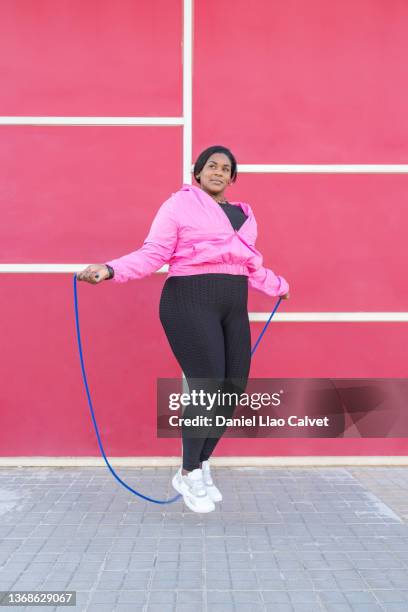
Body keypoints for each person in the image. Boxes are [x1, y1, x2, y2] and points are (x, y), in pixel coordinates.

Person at [77, 145, 290, 513]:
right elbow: (153, 253)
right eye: (211, 166)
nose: (219, 172)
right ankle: (188, 471)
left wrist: (278, 286)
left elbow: (250, 265)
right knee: (207, 386)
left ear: (232, 177)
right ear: (198, 171)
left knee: (233, 388)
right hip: (189, 302)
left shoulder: (245, 215)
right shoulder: (179, 205)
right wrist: (110, 269)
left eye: (226, 168)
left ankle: (202, 462)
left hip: (232, 306)